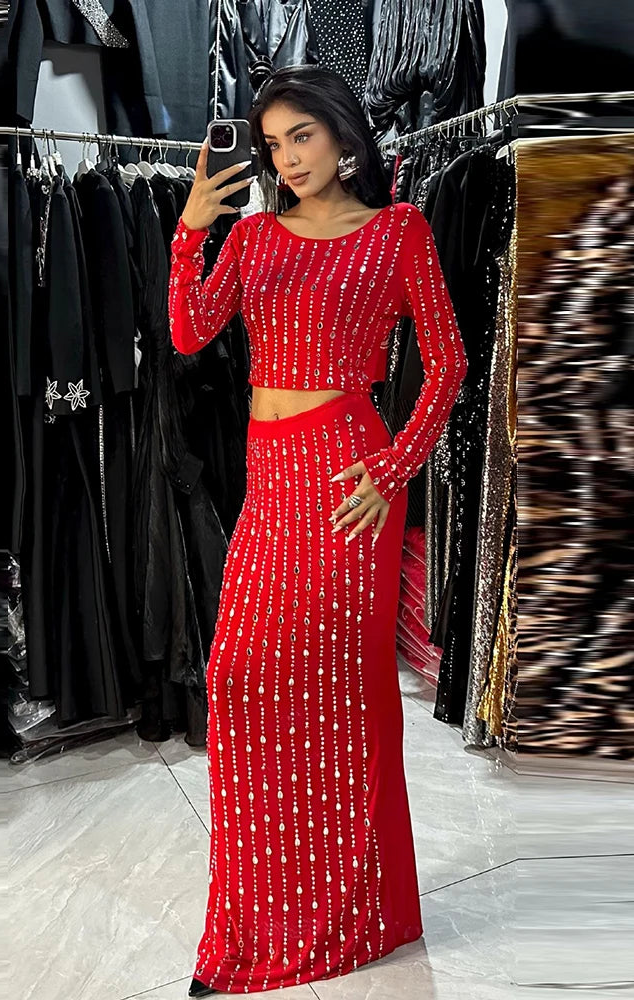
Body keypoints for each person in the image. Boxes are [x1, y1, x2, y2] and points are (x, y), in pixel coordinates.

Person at [168, 65, 467, 996]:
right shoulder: (254, 236)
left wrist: (394, 468)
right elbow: (187, 333)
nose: (288, 156)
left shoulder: (399, 230)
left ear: (343, 133)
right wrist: (191, 232)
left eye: (303, 134)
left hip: (348, 477)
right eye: (274, 142)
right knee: (238, 677)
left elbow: (450, 365)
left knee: (341, 696)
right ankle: (256, 916)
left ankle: (355, 912)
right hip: (271, 480)